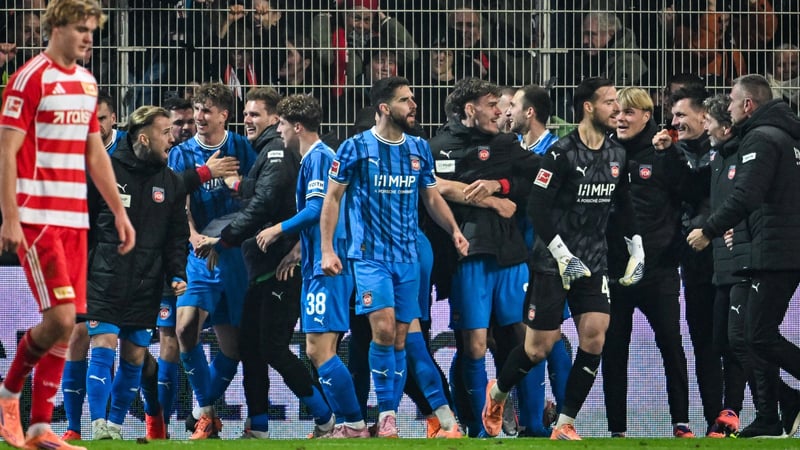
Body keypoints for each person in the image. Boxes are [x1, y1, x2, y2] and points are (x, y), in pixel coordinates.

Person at [0, 1, 135, 449]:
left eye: (93, 30)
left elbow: (94, 151)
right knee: (59, 318)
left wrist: (118, 210)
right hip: (37, 217)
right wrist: (10, 216)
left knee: (71, 322)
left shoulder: (86, 82)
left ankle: (39, 428)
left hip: (76, 218)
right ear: (56, 27)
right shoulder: (28, 79)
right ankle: (10, 390)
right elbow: (6, 151)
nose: (88, 38)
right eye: (81, 29)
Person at [482, 77, 643, 440]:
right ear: (588, 107)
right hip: (551, 263)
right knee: (538, 348)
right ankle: (497, 395)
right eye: (609, 102)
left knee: (595, 337)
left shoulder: (618, 154)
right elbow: (537, 207)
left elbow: (625, 206)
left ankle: (566, 422)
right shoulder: (561, 153)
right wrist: (562, 255)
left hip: (593, 261)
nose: (617, 108)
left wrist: (637, 247)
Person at [320, 76, 468, 437]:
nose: (413, 105)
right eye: (406, 100)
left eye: (413, 98)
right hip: (370, 257)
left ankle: (387, 415)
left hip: (408, 259)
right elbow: (332, 199)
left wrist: (454, 231)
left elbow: (432, 197)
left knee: (401, 338)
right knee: (383, 330)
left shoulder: (418, 148)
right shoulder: (354, 148)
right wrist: (327, 249)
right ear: (384, 108)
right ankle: (387, 416)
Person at [195, 87, 334, 439]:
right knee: (251, 349)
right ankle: (257, 426)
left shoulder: (275, 150)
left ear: (276, 119)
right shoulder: (271, 151)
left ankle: (327, 419)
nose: (248, 119)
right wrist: (241, 184)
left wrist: (223, 239)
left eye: (255, 114)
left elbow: (266, 203)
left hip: (281, 267)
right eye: (246, 113)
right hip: (263, 268)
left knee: (271, 346)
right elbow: (263, 192)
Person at [686, 74, 800, 438]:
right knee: (750, 337)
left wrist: (709, 229)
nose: (729, 109)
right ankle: (774, 414)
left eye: (733, 102)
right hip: (776, 247)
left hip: (776, 252)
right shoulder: (785, 137)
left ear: (748, 105)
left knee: (758, 336)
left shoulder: (761, 139)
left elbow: (747, 195)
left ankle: (781, 408)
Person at [252, 93, 370, 438]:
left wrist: (278, 229)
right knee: (320, 348)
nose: (281, 132)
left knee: (319, 349)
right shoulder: (319, 158)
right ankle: (347, 423)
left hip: (327, 267)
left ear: (297, 126)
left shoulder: (318, 158)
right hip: (320, 263)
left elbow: (318, 209)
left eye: (284, 125)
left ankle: (354, 424)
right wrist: (299, 251)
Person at [428, 78, 538, 437]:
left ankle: (534, 426)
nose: (500, 111)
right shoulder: (438, 146)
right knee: (474, 346)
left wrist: (501, 186)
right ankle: (476, 429)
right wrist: (490, 199)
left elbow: (539, 176)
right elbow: (435, 188)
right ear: (470, 109)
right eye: (492, 104)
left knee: (526, 342)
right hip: (466, 256)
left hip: (510, 255)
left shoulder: (505, 144)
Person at [84, 105, 188, 440]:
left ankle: (114, 426)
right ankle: (97, 424)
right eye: (164, 132)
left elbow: (176, 236)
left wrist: (177, 272)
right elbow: (84, 222)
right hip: (106, 275)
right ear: (143, 137)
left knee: (134, 352)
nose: (171, 139)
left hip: (148, 280)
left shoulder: (171, 183)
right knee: (103, 341)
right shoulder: (106, 170)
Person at [602, 87, 694, 438]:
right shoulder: (604, 152)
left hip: (658, 270)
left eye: (629, 112)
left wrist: (670, 155)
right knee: (613, 351)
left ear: (646, 115)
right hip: (614, 271)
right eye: (617, 112)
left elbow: (690, 192)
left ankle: (681, 423)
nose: (621, 118)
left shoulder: (664, 152)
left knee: (671, 344)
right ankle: (617, 431)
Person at [166, 82, 256, 439]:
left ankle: (209, 412)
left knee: (233, 346)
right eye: (197, 109)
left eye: (207, 110)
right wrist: (193, 237)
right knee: (185, 327)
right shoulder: (182, 154)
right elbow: (178, 201)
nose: (199, 117)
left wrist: (226, 237)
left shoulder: (241, 147)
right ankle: (205, 413)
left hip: (234, 254)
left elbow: (253, 198)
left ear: (224, 115)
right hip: (199, 251)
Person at [653, 84, 723, 435]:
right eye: (673, 115)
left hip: (726, 259)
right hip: (693, 263)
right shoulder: (675, 153)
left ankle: (736, 413)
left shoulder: (724, 149)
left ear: (703, 115)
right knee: (703, 345)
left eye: (681, 114)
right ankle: (716, 420)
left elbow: (705, 193)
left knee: (735, 342)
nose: (674, 121)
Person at [504, 84, 573, 438]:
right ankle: (532, 423)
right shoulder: (514, 149)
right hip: (516, 260)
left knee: (550, 337)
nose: (507, 112)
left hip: (549, 260)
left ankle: (563, 419)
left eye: (513, 105)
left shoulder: (557, 151)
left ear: (529, 112)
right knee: (528, 340)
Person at [60, 90, 128, 441]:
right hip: (80, 259)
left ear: (114, 118)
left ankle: (133, 420)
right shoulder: (74, 154)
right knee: (76, 337)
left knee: (123, 345)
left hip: (124, 262)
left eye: (101, 118)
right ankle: (74, 427)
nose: (96, 126)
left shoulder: (129, 153)